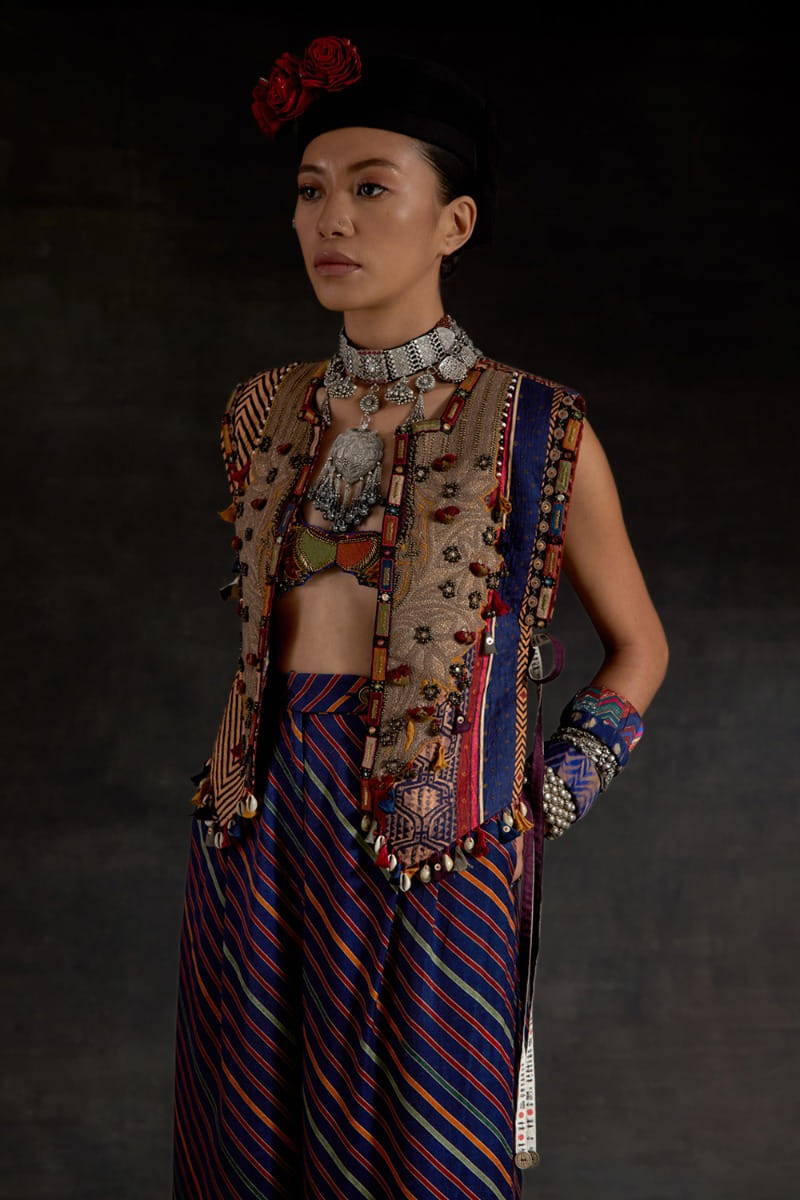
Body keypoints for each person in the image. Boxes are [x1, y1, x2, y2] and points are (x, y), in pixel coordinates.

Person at [172, 36, 668, 1200]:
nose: (330, 220)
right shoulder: (262, 412)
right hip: (257, 832)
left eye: (369, 188)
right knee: (246, 1156)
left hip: (440, 846)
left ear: (453, 222)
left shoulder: (536, 428)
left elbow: (639, 647)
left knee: (423, 1163)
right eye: (310, 191)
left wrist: (547, 796)